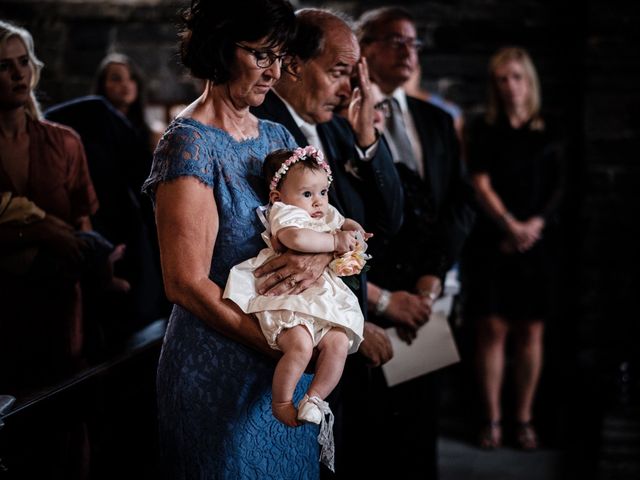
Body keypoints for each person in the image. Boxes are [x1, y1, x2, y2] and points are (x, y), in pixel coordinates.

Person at [141, 1, 332, 478]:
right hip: (218, 368)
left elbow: (318, 220)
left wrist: (325, 253)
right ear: (221, 49)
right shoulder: (190, 142)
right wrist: (282, 346)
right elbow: (185, 283)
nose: (275, 72)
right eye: (261, 55)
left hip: (286, 359)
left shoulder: (274, 134)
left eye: (280, 56)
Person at [250, 8, 404, 476]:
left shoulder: (338, 125)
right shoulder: (264, 126)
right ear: (293, 64)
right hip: (293, 327)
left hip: (341, 315)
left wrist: (367, 138)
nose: (350, 89)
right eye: (340, 72)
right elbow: (265, 232)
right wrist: (327, 251)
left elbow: (387, 220)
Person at [356, 7, 476, 479]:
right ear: (366, 49)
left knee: (420, 425)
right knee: (370, 433)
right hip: (370, 294)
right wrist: (385, 297)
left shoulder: (435, 120)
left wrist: (432, 276)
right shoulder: (344, 118)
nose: (409, 52)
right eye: (396, 41)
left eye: (414, 44)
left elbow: (460, 204)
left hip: (427, 291)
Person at [224, 146, 369, 470]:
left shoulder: (323, 212)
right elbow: (297, 239)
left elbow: (347, 223)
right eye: (307, 193)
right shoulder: (286, 214)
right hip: (290, 295)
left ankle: (316, 398)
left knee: (338, 343)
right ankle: (282, 401)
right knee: (300, 345)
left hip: (323, 297)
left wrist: (355, 234)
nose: (318, 201)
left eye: (323, 191)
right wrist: (334, 242)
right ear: (277, 195)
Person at [461, 46, 564, 451]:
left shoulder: (550, 129)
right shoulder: (484, 128)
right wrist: (509, 225)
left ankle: (523, 419)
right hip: (493, 239)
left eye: (516, 78)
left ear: (529, 81)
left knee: (531, 330)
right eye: (502, 79)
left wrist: (532, 227)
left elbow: (560, 187)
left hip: (538, 241)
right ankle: (492, 420)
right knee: (492, 329)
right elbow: (480, 184)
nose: (509, 87)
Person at [0, 20, 100, 389]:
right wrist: (38, 230)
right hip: (3, 305)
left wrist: (95, 263)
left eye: (23, 61)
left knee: (64, 409)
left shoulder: (64, 142)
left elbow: (82, 222)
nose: (16, 73)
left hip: (59, 303)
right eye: (3, 65)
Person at [94, 52, 163, 154]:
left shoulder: (151, 133)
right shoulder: (95, 130)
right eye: (116, 79)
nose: (125, 84)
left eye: (131, 77)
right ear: (103, 85)